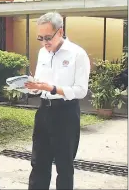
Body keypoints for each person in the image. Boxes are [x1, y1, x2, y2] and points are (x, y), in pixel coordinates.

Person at [24, 12, 90, 190]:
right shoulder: (42, 53)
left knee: (64, 165)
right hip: (44, 110)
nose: (45, 42)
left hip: (65, 113)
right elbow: (40, 82)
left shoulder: (77, 54)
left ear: (60, 32)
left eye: (48, 37)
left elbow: (81, 90)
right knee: (38, 162)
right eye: (40, 38)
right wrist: (34, 86)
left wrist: (52, 88)